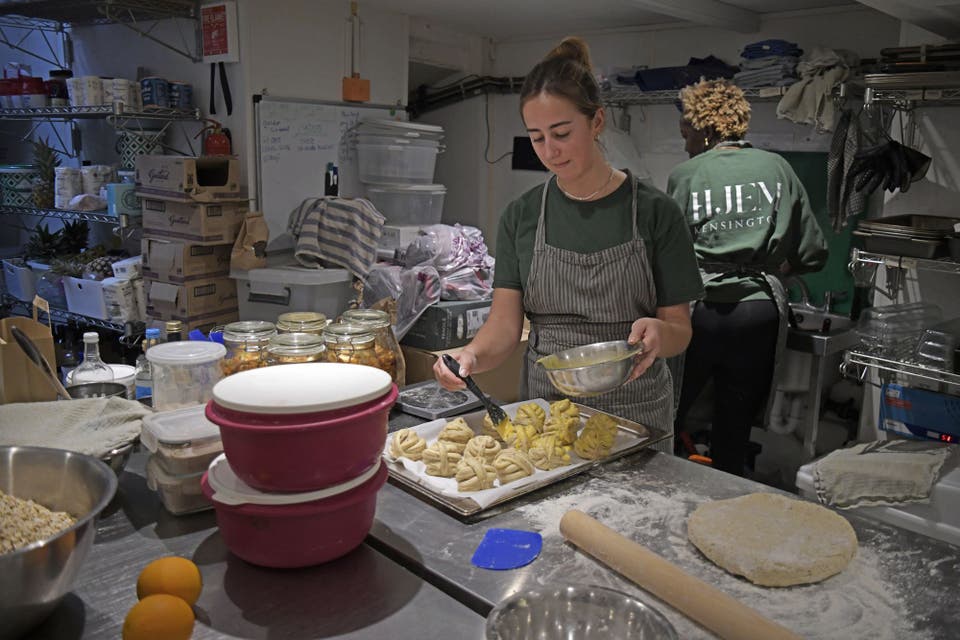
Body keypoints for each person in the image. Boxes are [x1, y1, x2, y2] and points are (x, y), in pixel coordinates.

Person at [433, 37, 704, 435]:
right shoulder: (521, 216)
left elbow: (680, 330)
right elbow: (505, 328)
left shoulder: (655, 212)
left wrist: (662, 334)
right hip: (547, 408)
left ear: (596, 121)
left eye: (561, 133)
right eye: (537, 137)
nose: (550, 151)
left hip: (635, 410)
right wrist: (471, 354)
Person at [667, 78, 828, 475]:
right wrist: (777, 269)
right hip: (759, 314)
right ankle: (729, 509)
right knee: (734, 426)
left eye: (686, 132)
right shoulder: (777, 168)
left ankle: (667, 493)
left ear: (705, 128)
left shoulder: (686, 175)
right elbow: (812, 250)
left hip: (700, 312)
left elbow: (666, 256)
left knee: (669, 413)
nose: (685, 142)